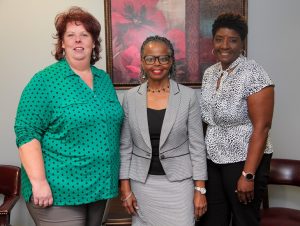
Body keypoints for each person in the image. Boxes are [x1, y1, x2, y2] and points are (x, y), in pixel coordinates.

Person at [14, 7, 124, 226]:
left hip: (99, 188)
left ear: (94, 42)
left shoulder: (103, 80)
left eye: (84, 35)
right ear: (62, 43)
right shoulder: (45, 81)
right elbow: (26, 132)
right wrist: (39, 182)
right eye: (70, 36)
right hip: (59, 191)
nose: (78, 41)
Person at [119, 35, 207, 226]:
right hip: (142, 184)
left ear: (171, 60)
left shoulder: (188, 96)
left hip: (179, 185)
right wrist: (125, 188)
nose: (156, 64)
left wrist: (200, 190)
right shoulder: (131, 97)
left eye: (163, 58)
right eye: (150, 58)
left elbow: (197, 147)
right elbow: (125, 147)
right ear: (142, 61)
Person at [199, 13, 275, 226]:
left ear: (242, 43)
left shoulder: (254, 73)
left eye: (233, 40)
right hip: (213, 158)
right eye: (219, 39)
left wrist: (248, 175)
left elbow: (262, 127)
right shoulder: (210, 73)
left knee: (244, 219)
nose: (225, 45)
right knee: (213, 220)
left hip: (243, 159)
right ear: (213, 41)